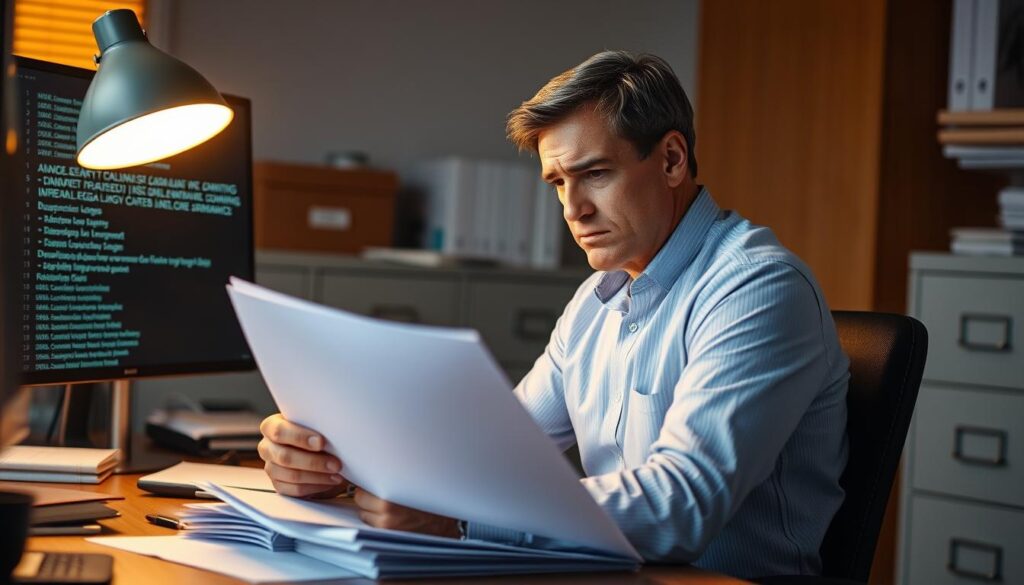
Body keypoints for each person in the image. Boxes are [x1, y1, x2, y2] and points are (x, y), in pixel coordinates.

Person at [257, 50, 850, 579]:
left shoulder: (757, 287)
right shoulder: (597, 299)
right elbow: (490, 450)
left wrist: (460, 519)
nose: (573, 209)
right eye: (557, 183)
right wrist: (333, 460)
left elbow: (681, 507)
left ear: (671, 159)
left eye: (594, 174)